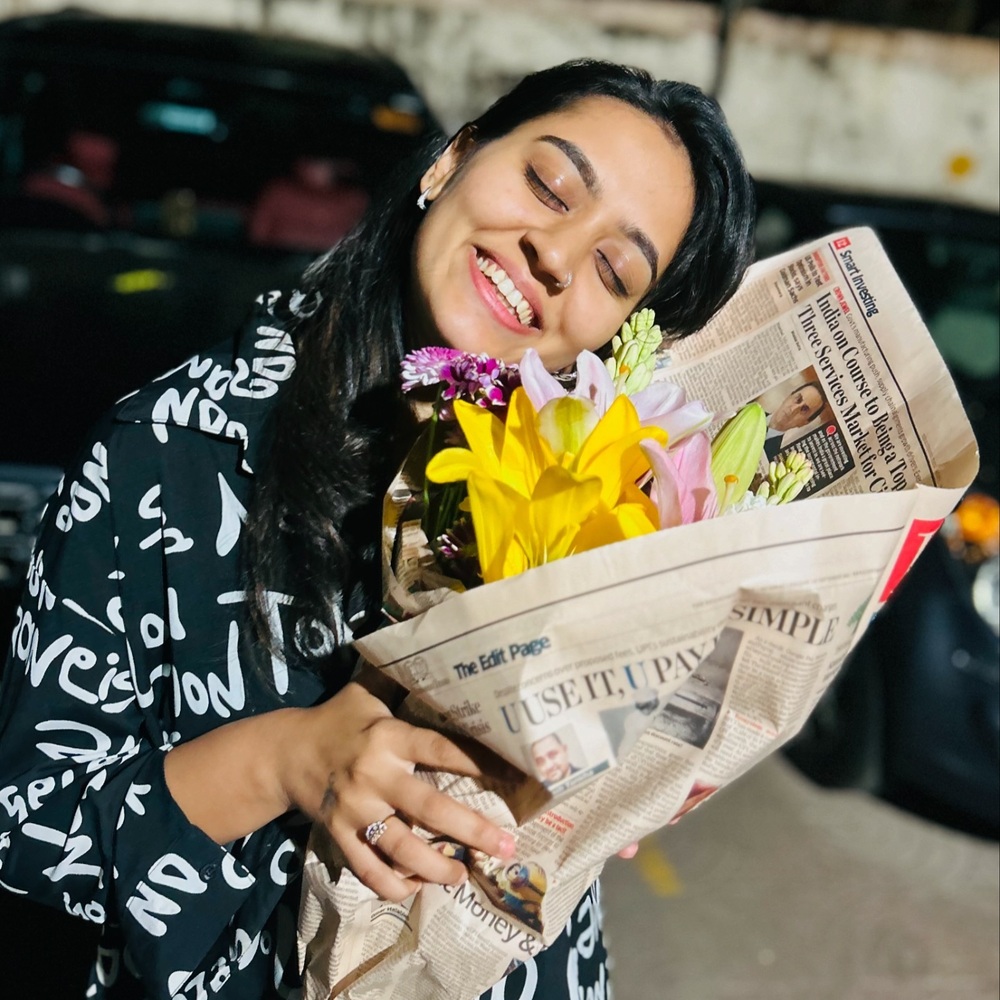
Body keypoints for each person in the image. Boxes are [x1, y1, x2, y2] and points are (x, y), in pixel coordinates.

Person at [0, 59, 755, 999]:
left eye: (614, 268)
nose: (557, 255)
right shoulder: (173, 449)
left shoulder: (603, 507)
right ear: (453, 160)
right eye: (549, 185)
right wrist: (289, 762)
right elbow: (29, 827)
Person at [763, 380, 825, 458]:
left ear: (804, 423)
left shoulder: (773, 457)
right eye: (798, 399)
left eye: (804, 409)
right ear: (789, 396)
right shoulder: (748, 407)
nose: (793, 409)